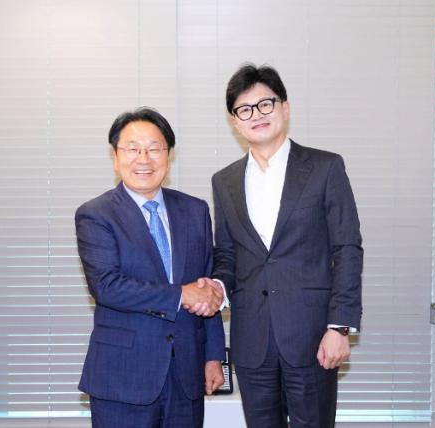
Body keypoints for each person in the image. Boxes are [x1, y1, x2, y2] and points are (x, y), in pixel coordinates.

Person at [212, 64, 363, 428]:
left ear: (285, 108)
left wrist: (340, 326)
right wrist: (216, 287)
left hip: (313, 336)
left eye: (265, 104)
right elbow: (227, 253)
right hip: (252, 340)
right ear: (234, 122)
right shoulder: (224, 181)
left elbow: (347, 248)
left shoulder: (325, 168)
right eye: (244, 109)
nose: (256, 114)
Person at [76, 107, 226, 428]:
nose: (144, 159)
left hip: (187, 374)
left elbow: (207, 286)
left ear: (168, 156)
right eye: (132, 149)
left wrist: (214, 356)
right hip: (123, 375)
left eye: (154, 148)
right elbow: (107, 286)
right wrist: (180, 295)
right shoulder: (96, 214)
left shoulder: (195, 210)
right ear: (115, 157)